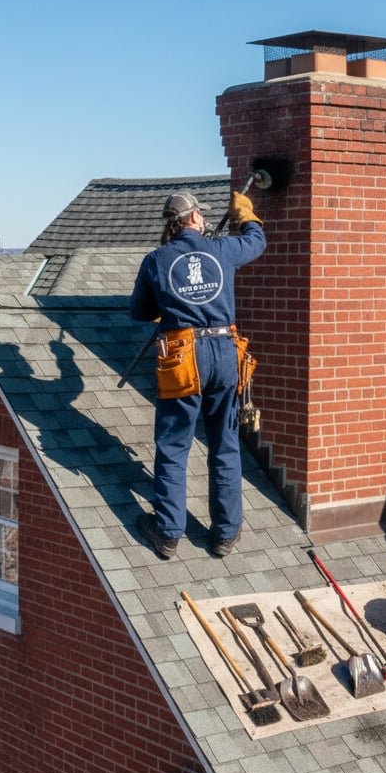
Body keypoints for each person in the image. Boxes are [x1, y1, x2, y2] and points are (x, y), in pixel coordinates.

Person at [130, 188, 266, 558]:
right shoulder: (221, 251)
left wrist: (169, 306)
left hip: (182, 356)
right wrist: (245, 215)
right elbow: (256, 241)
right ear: (192, 218)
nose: (204, 219)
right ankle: (225, 533)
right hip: (225, 353)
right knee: (225, 443)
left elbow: (140, 311)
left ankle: (168, 532)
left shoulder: (157, 260)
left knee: (174, 446)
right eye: (201, 215)